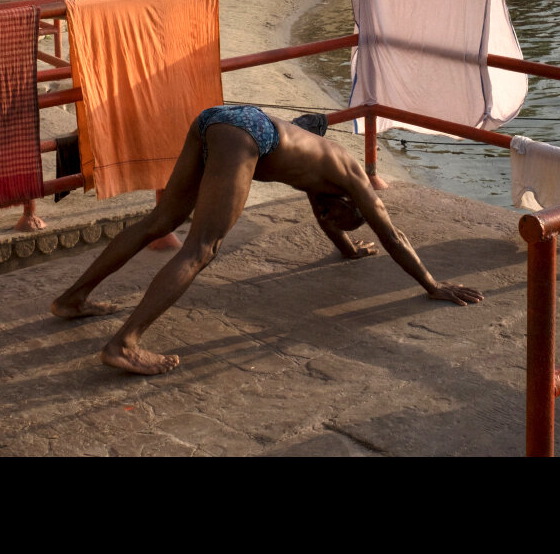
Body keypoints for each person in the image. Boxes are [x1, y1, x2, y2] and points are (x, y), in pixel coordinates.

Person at [50, 107, 484, 374]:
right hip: (246, 134)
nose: (327, 216)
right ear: (354, 207)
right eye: (338, 217)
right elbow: (392, 234)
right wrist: (432, 284)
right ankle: (124, 343)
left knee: (161, 219)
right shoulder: (355, 180)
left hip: (219, 118)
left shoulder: (326, 178)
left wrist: (349, 249)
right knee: (202, 247)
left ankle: (73, 298)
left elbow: (328, 220)